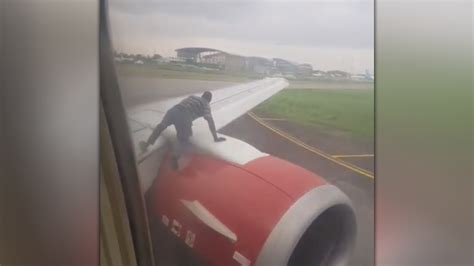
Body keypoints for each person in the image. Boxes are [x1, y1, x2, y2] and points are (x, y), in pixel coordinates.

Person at [139, 91, 226, 169]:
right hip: (184, 116)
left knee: (161, 126)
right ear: (209, 100)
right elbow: (210, 121)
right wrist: (215, 137)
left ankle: (146, 145)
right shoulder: (206, 105)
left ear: (202, 95)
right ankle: (175, 157)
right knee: (184, 140)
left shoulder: (192, 97)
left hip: (173, 110)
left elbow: (184, 104)